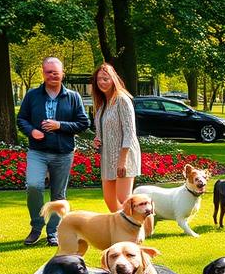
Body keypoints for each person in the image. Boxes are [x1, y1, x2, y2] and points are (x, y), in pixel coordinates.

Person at [16, 57, 90, 246]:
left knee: (59, 194)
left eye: (56, 72)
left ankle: (54, 231)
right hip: (37, 151)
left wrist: (59, 125)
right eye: (48, 72)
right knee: (33, 186)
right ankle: (36, 226)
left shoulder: (73, 97)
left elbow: (83, 123)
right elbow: (21, 119)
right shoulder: (33, 95)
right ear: (43, 73)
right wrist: (31, 131)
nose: (52, 76)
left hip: (63, 152)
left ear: (62, 73)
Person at [90, 62, 141, 211]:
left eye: (106, 78)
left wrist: (122, 161)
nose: (102, 82)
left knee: (124, 200)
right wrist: (97, 140)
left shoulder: (122, 99)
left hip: (124, 156)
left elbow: (130, 132)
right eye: (99, 79)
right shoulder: (102, 104)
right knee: (110, 201)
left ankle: (143, 227)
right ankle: (123, 230)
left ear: (114, 80)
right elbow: (104, 131)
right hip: (108, 157)